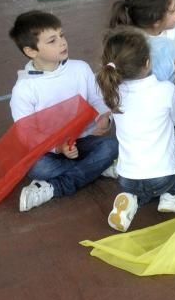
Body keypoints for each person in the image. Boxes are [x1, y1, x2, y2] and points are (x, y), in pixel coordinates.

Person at [8, 11, 118, 212]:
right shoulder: (24, 88)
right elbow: (27, 135)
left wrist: (103, 117)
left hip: (82, 141)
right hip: (48, 151)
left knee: (112, 145)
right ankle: (94, 169)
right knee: (37, 167)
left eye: (62, 35)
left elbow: (96, 99)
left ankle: (56, 185)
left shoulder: (80, 68)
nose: (62, 43)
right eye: (52, 40)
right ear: (31, 51)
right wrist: (58, 148)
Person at [97, 28, 175, 233]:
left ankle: (130, 198)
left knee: (138, 184)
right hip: (162, 177)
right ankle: (171, 195)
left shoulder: (112, 94)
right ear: (148, 62)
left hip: (127, 177)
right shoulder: (165, 90)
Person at [109, 0, 175, 130]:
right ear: (156, 22)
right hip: (140, 91)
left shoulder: (174, 26)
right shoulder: (133, 41)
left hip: (168, 85)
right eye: (172, 10)